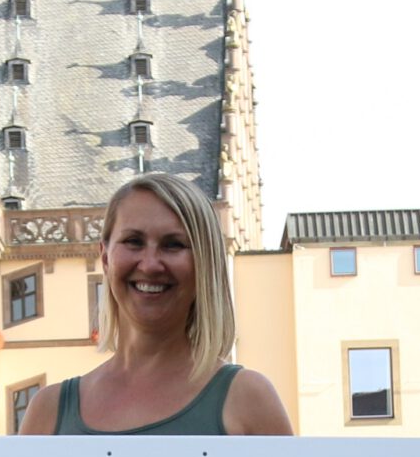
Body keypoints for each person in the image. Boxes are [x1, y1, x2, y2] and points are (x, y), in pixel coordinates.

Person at [15, 173, 293, 437]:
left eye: (173, 245)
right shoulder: (47, 413)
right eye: (133, 242)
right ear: (106, 257)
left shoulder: (248, 401)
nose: (150, 265)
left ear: (204, 263)